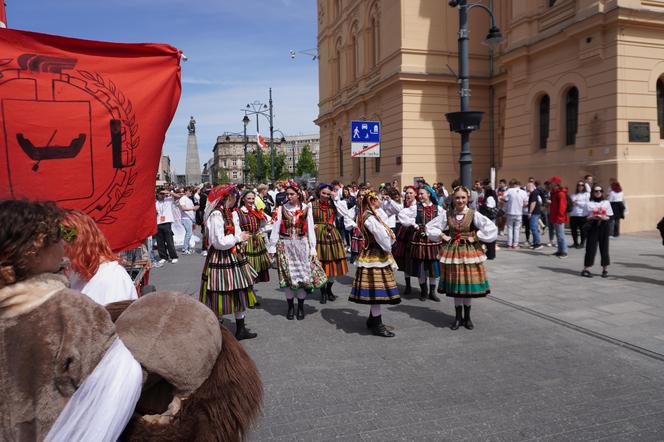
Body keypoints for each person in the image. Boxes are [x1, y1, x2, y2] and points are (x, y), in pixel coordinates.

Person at [0, 199, 143, 440]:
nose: (63, 245)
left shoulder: (102, 280)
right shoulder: (67, 308)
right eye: (58, 236)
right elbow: (118, 381)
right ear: (37, 249)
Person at [426, 186, 498, 330]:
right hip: (453, 252)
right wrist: (442, 235)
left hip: (469, 252)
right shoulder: (448, 214)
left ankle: (468, 317)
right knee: (456, 284)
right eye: (457, 197)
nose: (460, 200)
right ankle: (458, 317)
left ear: (468, 199)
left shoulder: (473, 214)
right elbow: (430, 227)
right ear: (453, 198)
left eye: (463, 197)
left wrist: (477, 236)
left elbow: (490, 228)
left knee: (467, 284)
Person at [199, 184, 258, 340]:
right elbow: (218, 242)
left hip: (233, 255)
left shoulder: (229, 213)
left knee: (240, 289)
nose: (235, 199)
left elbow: (235, 232)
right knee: (219, 291)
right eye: (233, 196)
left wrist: (241, 238)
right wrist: (238, 238)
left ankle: (240, 329)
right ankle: (217, 330)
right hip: (220, 256)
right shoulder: (216, 215)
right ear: (227, 198)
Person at [267, 181, 327, 320]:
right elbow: (276, 228)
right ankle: (290, 307)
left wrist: (313, 249)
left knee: (302, 277)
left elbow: (310, 229)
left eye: (292, 194)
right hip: (285, 246)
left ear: (298, 194)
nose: (289, 197)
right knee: (288, 278)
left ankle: (300, 307)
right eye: (287, 194)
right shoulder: (281, 209)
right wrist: (272, 247)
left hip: (301, 245)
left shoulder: (306, 208)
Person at [348, 191, 401, 337]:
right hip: (375, 255)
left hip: (373, 253)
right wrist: (389, 247)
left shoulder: (370, 214)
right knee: (377, 289)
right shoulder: (369, 217)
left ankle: (373, 319)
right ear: (372, 201)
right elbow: (382, 237)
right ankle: (377, 324)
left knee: (376, 288)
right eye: (377, 199)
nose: (380, 201)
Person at [62, 210, 138, 305]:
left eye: (61, 246)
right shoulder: (77, 276)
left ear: (77, 245)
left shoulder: (112, 277)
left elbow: (112, 318)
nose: (59, 254)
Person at [398, 184, 442, 302]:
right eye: (420, 194)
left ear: (429, 194)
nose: (420, 196)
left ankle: (432, 292)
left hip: (432, 239)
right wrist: (413, 224)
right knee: (421, 266)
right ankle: (424, 291)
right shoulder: (416, 208)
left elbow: (444, 221)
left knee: (433, 267)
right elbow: (402, 215)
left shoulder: (438, 208)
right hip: (419, 239)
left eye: (422, 193)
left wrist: (438, 230)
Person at [311, 183, 349, 303]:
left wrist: (336, 199)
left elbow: (344, 213)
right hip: (317, 236)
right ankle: (322, 292)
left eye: (328, 194)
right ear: (319, 193)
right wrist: (312, 226)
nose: (326, 196)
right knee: (320, 265)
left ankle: (329, 289)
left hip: (332, 235)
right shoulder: (311, 205)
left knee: (332, 266)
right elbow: (305, 220)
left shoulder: (334, 205)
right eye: (324, 193)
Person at [235, 190, 271, 284]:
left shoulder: (256, 210)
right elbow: (236, 229)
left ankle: (251, 288)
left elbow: (266, 224)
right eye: (249, 198)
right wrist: (241, 240)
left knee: (257, 267)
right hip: (245, 241)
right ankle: (248, 288)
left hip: (257, 240)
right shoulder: (237, 212)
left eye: (253, 198)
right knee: (247, 267)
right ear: (243, 199)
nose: (251, 201)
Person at [581, 185, 614, 278]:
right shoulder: (589, 204)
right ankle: (586, 269)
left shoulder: (607, 203)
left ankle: (605, 269)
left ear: (602, 192)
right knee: (590, 248)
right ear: (593, 193)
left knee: (604, 248)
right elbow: (584, 217)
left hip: (604, 226)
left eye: (600, 191)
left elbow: (610, 216)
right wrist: (592, 217)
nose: (598, 192)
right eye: (596, 191)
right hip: (593, 226)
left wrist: (604, 217)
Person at [392, 185, 417, 291]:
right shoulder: (404, 205)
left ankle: (425, 288)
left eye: (411, 193)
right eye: (407, 193)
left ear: (415, 194)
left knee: (416, 258)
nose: (408, 195)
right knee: (406, 259)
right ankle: (408, 285)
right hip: (405, 233)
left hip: (415, 233)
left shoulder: (417, 206)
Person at [155, 189, 179, 264]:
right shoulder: (156, 203)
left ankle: (174, 256)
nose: (161, 195)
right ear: (157, 194)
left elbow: (178, 196)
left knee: (169, 241)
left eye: (163, 194)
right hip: (158, 223)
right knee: (160, 242)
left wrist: (168, 192)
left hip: (167, 222)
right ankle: (163, 257)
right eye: (160, 194)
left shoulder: (168, 200)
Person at [503, 179, 528, 249]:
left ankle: (509, 244)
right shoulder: (523, 192)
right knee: (517, 229)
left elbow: (503, 198)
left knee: (510, 228)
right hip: (519, 213)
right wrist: (520, 205)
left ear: (513, 184)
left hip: (510, 212)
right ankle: (515, 244)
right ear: (518, 185)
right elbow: (526, 203)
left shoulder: (509, 190)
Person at [548, 177, 569, 258]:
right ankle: (560, 250)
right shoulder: (554, 193)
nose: (550, 184)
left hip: (559, 217)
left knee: (561, 235)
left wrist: (560, 217)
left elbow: (562, 207)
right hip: (555, 216)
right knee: (558, 234)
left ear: (556, 183)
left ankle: (564, 251)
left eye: (551, 183)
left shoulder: (560, 193)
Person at [479, 185, 499, 259]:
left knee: (488, 236)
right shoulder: (492, 197)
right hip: (490, 220)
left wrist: (483, 206)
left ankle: (490, 253)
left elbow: (490, 207)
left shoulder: (490, 198)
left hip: (489, 220)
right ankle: (490, 252)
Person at [569, 180, 590, 248]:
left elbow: (586, 204)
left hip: (582, 215)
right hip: (573, 215)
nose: (580, 186)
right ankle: (575, 243)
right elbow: (570, 203)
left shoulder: (586, 195)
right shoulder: (573, 195)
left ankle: (582, 243)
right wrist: (572, 203)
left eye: (582, 185)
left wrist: (577, 203)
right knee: (573, 230)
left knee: (583, 230)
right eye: (579, 185)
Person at [178, 187, 199, 255]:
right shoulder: (183, 198)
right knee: (188, 233)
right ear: (186, 191)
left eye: (191, 192)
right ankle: (185, 248)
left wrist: (195, 208)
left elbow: (191, 209)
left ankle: (187, 248)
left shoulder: (189, 199)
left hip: (190, 218)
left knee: (189, 234)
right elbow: (183, 208)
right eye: (190, 191)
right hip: (185, 218)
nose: (191, 193)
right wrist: (193, 208)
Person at [525, 182, 544, 250]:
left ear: (531, 186)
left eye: (527, 186)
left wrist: (530, 212)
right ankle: (535, 243)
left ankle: (538, 244)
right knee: (534, 228)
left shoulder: (533, 193)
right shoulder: (534, 193)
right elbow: (532, 202)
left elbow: (533, 203)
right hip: (536, 212)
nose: (526, 188)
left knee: (533, 228)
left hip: (534, 213)